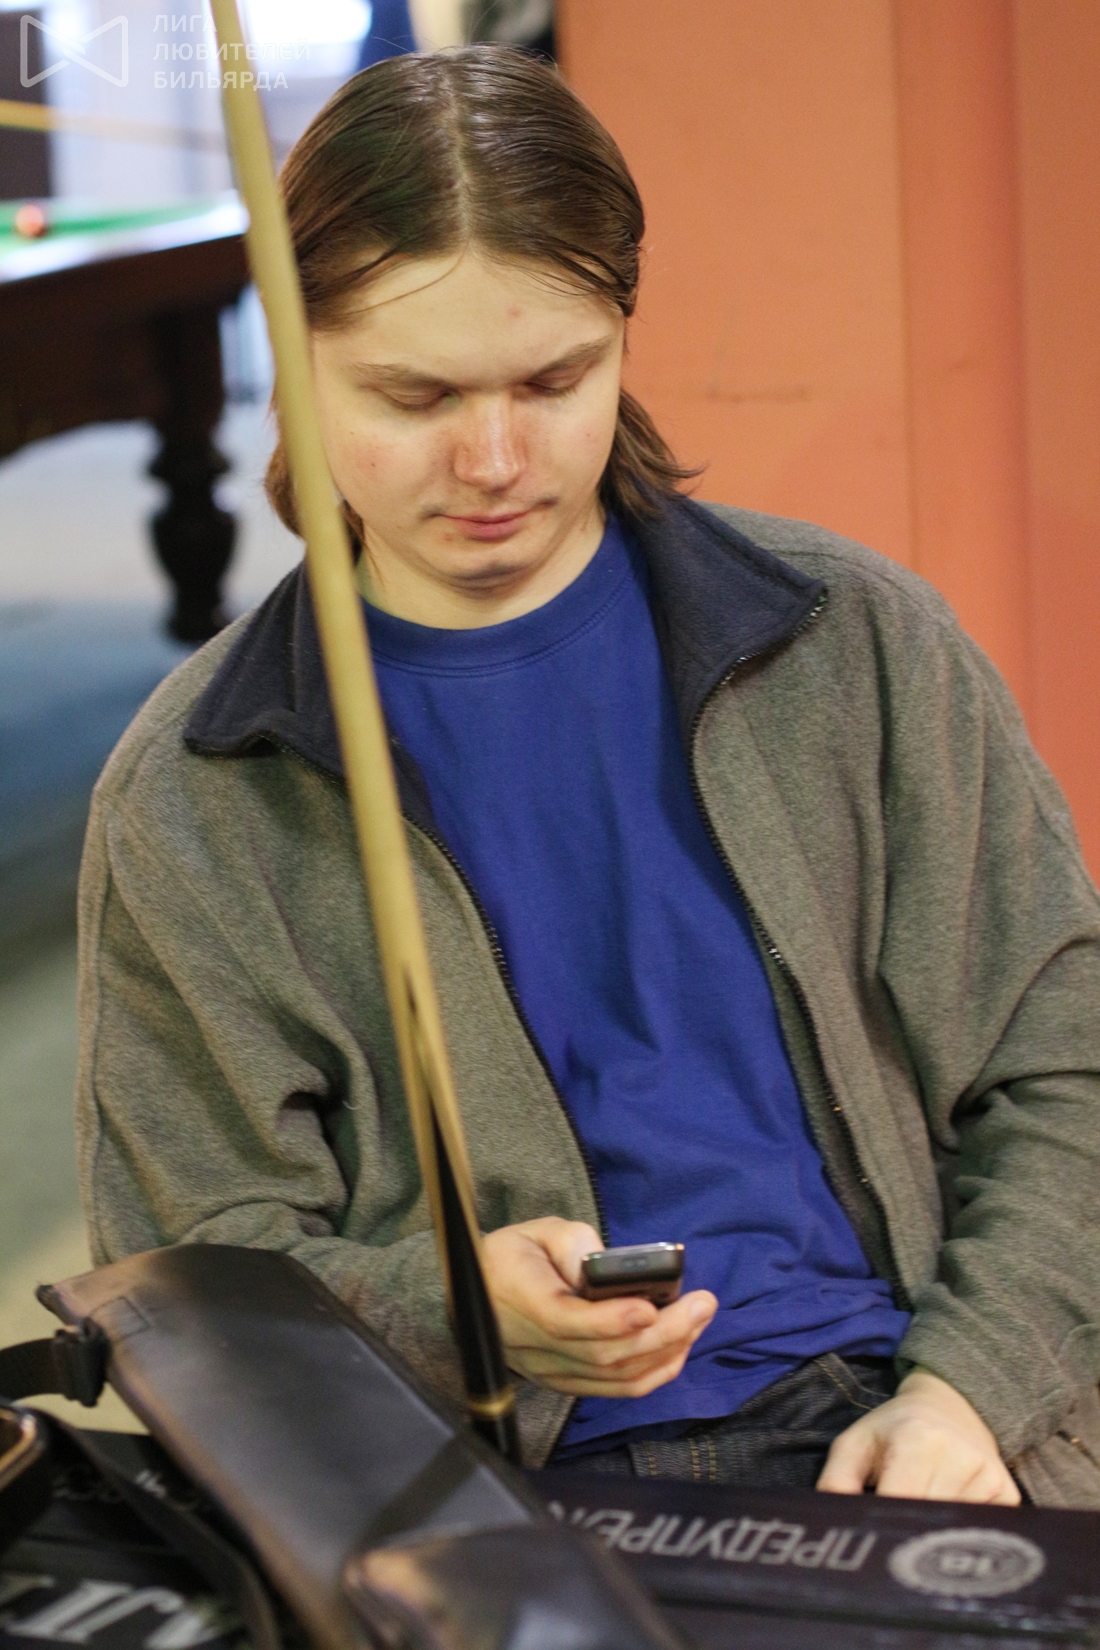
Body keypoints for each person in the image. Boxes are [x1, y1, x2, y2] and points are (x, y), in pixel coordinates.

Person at [75, 47, 1100, 1507]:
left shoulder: (860, 643)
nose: (494, 459)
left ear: (624, 332)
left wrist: (971, 1385)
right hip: (484, 1480)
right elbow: (191, 1280)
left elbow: (1066, 1063)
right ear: (294, 367)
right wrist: (450, 1312)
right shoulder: (194, 790)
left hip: (915, 1409)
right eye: (414, 396)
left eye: (555, 381)